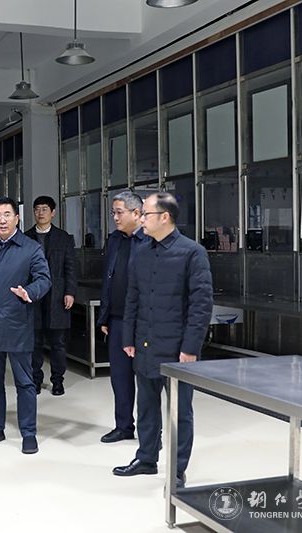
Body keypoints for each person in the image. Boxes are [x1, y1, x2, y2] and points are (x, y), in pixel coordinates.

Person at [112, 192, 213, 489]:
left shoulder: (192, 253)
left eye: (146, 214)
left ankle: (177, 469)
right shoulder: (142, 252)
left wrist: (190, 348)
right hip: (145, 343)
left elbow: (201, 305)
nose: (142, 219)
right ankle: (146, 458)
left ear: (165, 217)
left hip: (178, 350)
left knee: (180, 412)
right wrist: (129, 337)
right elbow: (132, 298)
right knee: (145, 406)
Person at [0, 197, 51, 454]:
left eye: (6, 215)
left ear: (17, 218)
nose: (1, 220)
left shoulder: (30, 248)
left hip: (16, 323)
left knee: (25, 382)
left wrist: (29, 292)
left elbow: (44, 279)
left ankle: (29, 433)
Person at [97, 191, 148, 444]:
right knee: (120, 377)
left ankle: (151, 433)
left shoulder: (150, 240)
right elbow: (109, 279)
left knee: (147, 379)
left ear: (136, 213)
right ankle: (124, 426)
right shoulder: (115, 240)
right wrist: (104, 317)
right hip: (117, 319)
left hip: (143, 321)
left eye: (119, 213)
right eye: (113, 213)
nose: (115, 218)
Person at [23, 195, 76, 396]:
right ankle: (35, 380)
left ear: (53, 213)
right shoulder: (25, 238)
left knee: (58, 343)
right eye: (37, 209)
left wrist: (70, 292)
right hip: (33, 296)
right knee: (34, 342)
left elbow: (70, 268)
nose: (40, 213)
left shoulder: (64, 238)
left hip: (57, 296)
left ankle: (57, 381)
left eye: (44, 209)